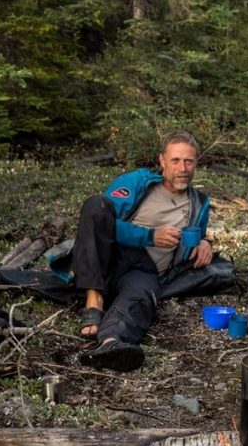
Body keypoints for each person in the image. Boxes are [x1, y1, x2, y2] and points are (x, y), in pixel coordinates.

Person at [74, 130, 214, 372]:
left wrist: (206, 242)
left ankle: (110, 343)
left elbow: (198, 233)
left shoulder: (199, 202)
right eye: (175, 160)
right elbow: (100, 222)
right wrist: (150, 236)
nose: (182, 168)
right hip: (112, 256)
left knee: (141, 296)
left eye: (188, 161)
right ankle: (94, 300)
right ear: (162, 160)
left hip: (143, 270)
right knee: (96, 203)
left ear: (196, 163)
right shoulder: (138, 182)